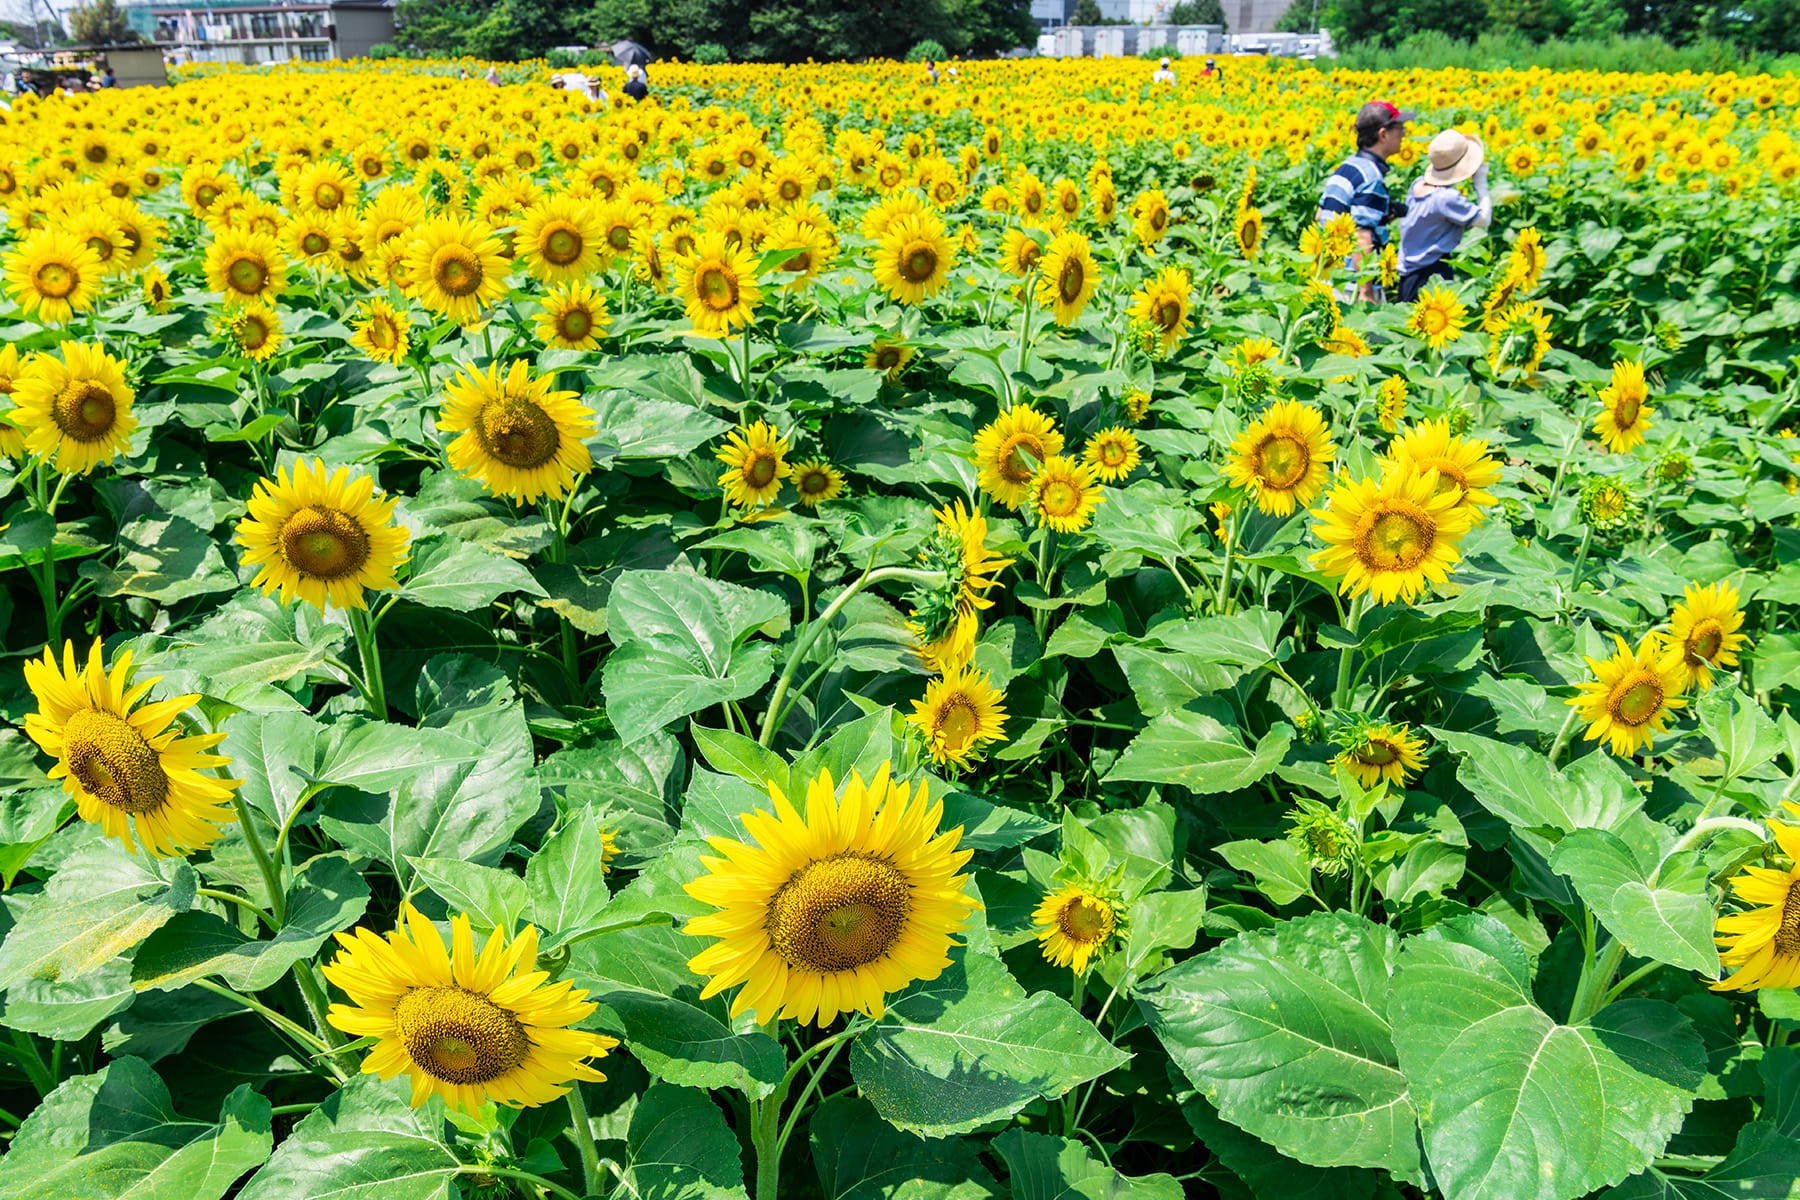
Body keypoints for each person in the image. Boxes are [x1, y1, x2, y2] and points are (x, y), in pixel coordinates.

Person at [1317, 99, 1415, 302]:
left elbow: (1321, 215)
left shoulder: (1347, 167)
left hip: (1330, 277)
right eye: (1399, 128)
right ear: (1383, 134)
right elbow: (1362, 237)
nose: (1404, 133)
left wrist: (1383, 215)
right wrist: (1366, 292)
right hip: (1351, 288)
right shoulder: (1372, 178)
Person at [1396, 128, 1492, 302]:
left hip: (1408, 275)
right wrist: (1481, 183)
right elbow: (1484, 220)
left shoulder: (1418, 184)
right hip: (1431, 274)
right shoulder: (1445, 198)